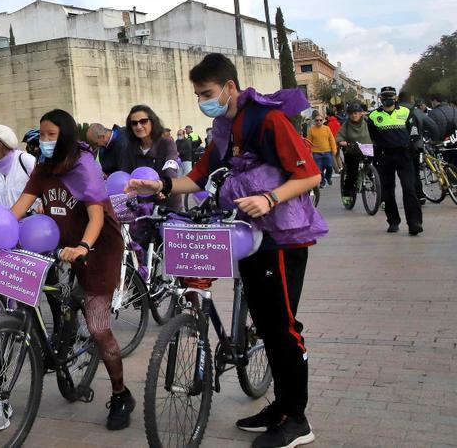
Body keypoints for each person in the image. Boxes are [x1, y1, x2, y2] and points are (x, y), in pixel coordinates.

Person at [128, 53, 324, 448]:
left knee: (283, 326)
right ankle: (280, 407)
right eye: (198, 94)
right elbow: (198, 178)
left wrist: (270, 198)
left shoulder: (269, 119)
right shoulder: (224, 127)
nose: (203, 100)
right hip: (247, 235)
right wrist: (162, 188)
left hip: (281, 237)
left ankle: (297, 418)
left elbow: (309, 174)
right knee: (266, 323)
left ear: (230, 88)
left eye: (208, 93)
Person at [9, 109, 132, 430]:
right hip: (63, 243)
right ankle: (67, 332)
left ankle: (120, 394)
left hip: (99, 246)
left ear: (64, 135)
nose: (45, 141)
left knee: (98, 326)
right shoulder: (43, 167)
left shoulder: (83, 166)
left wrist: (84, 247)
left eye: (51, 135)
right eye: (42, 134)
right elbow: (20, 206)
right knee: (62, 298)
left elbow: (96, 216)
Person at [369, 87, 423, 235]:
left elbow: (414, 132)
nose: (388, 99)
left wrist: (415, 149)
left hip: (404, 155)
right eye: (385, 96)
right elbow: (371, 137)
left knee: (409, 188)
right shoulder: (373, 116)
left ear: (396, 98)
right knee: (387, 191)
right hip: (384, 156)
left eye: (391, 96)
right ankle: (393, 221)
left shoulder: (405, 112)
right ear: (380, 98)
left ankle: (414, 223)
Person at [117, 105, 181, 185]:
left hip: (165, 193)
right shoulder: (129, 148)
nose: (138, 126)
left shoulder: (167, 143)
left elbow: (170, 170)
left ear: (152, 122)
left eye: (143, 121)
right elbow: (125, 173)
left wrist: (164, 187)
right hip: (141, 195)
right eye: (134, 123)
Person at [0, 124, 36, 210]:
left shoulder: (25, 159)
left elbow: (44, 185)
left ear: (0, 145)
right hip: (6, 221)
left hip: (30, 219)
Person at [337, 104, 372, 208]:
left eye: (356, 113)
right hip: (352, 149)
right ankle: (347, 193)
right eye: (351, 113)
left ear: (361, 113)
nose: (354, 115)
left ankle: (376, 186)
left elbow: (375, 131)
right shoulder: (346, 124)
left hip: (367, 148)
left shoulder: (367, 122)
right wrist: (341, 141)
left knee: (372, 170)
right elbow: (339, 135)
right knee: (352, 173)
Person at [306, 115, 338, 187]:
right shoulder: (311, 130)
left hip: (327, 151)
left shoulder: (327, 128)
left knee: (329, 167)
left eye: (320, 120)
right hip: (316, 153)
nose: (319, 122)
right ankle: (322, 181)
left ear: (323, 121)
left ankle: (328, 177)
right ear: (314, 121)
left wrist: (334, 149)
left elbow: (331, 139)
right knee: (319, 169)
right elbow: (308, 142)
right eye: (317, 120)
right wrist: (309, 153)